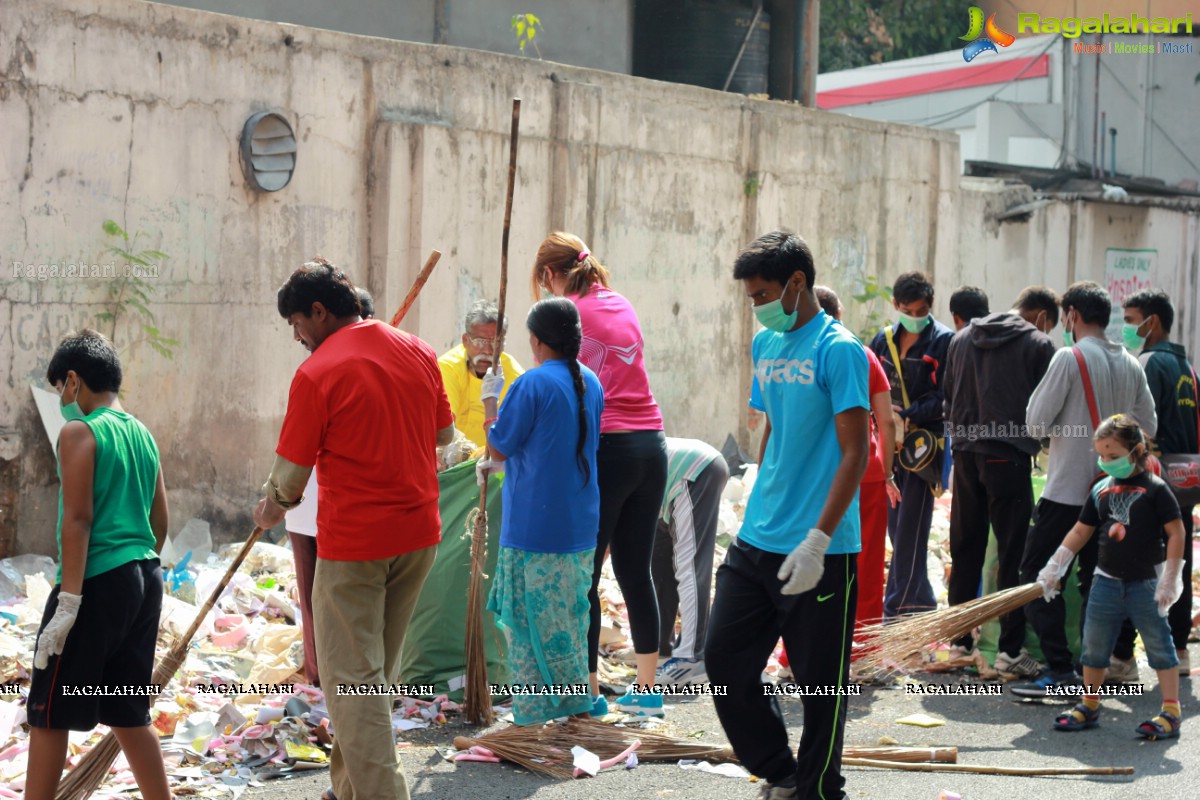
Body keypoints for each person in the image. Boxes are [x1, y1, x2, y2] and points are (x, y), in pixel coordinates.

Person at [253, 258, 453, 800]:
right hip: (417, 537)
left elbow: (288, 483)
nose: (296, 336)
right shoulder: (418, 350)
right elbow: (444, 435)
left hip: (356, 546)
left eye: (296, 324)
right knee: (366, 682)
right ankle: (345, 790)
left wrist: (268, 512)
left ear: (318, 312)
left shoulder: (318, 372)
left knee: (352, 685)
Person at [707, 231, 870, 800]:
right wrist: (759, 480)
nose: (757, 307)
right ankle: (780, 769)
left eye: (762, 295)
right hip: (758, 536)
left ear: (797, 283)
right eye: (751, 298)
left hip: (820, 548)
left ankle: (819, 789)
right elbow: (774, 423)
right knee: (723, 661)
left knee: (821, 686)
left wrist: (818, 541)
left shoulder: (839, 349)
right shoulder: (767, 347)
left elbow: (858, 450)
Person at [26, 330, 170, 800]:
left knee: (50, 709)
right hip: (146, 577)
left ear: (72, 380)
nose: (61, 402)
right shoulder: (142, 433)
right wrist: (139, 578)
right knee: (128, 711)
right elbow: (159, 520)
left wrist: (68, 604)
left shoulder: (79, 431)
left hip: (97, 580)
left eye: (58, 390)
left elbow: (79, 520)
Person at [533, 232, 667, 716]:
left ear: (550, 275)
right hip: (651, 444)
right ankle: (649, 691)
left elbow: (561, 391)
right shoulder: (620, 301)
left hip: (608, 448)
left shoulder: (569, 314)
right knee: (636, 570)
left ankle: (588, 695)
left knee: (584, 576)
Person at [1013, 281, 1157, 698]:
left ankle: (1060, 670)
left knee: (1039, 574)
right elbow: (1149, 427)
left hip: (1067, 494)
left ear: (1072, 314)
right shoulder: (1131, 363)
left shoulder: (1068, 358)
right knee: (1097, 583)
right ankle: (1090, 668)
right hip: (1113, 496)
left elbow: (1035, 423)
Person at [475, 298, 604, 724]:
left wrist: (490, 402)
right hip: (580, 525)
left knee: (528, 627)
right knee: (568, 621)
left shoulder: (531, 384)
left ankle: (533, 716)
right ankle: (574, 704)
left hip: (534, 528)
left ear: (536, 340)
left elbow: (499, 445)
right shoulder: (591, 381)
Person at [1039, 415, 1184, 739]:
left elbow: (1176, 531)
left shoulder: (1156, 490)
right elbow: (1080, 531)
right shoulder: (1100, 490)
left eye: (1113, 455)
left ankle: (1171, 710)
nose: (1106, 462)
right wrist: (1055, 565)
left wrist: (1170, 577)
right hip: (1105, 581)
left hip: (1146, 583)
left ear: (1136, 451)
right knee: (1094, 645)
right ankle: (1089, 704)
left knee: (1160, 643)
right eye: (1101, 455)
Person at [941, 286, 1057, 676]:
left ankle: (958, 644)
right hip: (1007, 456)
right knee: (1013, 554)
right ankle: (1009, 650)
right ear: (1041, 314)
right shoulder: (1039, 344)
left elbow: (948, 396)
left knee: (965, 549)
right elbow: (1046, 408)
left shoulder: (960, 338)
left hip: (965, 455)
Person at [284, 286, 375, 688]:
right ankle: (323, 681)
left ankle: (349, 686)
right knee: (315, 605)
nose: (298, 336)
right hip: (309, 511)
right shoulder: (315, 373)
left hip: (350, 516)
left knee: (350, 611)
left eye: (299, 325)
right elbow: (294, 456)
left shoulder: (359, 371)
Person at [1110, 289, 1197, 678]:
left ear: (1152, 322)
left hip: (1154, 477)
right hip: (1188, 476)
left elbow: (1135, 426)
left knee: (1136, 560)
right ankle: (1179, 650)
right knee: (1178, 560)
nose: (1127, 328)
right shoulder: (1189, 369)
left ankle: (1123, 655)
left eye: (1131, 320)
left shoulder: (1146, 362)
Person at [869, 272, 954, 618]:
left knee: (911, 532)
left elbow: (947, 396)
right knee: (895, 525)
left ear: (930, 307)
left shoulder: (944, 342)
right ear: (895, 305)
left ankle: (897, 611)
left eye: (921, 310)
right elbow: (869, 384)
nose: (915, 317)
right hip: (887, 445)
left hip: (923, 448)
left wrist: (909, 413)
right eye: (908, 310)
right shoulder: (882, 340)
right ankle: (921, 602)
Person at [815, 286, 899, 634]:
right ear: (840, 313)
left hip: (818, 473)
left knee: (813, 558)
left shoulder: (802, 355)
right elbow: (888, 420)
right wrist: (890, 474)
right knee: (864, 566)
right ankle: (861, 651)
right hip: (866, 470)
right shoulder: (861, 354)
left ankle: (798, 653)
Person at [651, 438, 729, 686]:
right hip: (663, 489)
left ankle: (691, 658)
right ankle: (661, 644)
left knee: (690, 564)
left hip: (693, 471)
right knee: (658, 567)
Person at [438, 299, 525, 448]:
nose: (487, 350)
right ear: (465, 340)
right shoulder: (448, 367)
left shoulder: (516, 377)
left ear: (503, 343)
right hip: (453, 459)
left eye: (495, 343)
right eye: (480, 341)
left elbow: (516, 433)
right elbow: (445, 428)